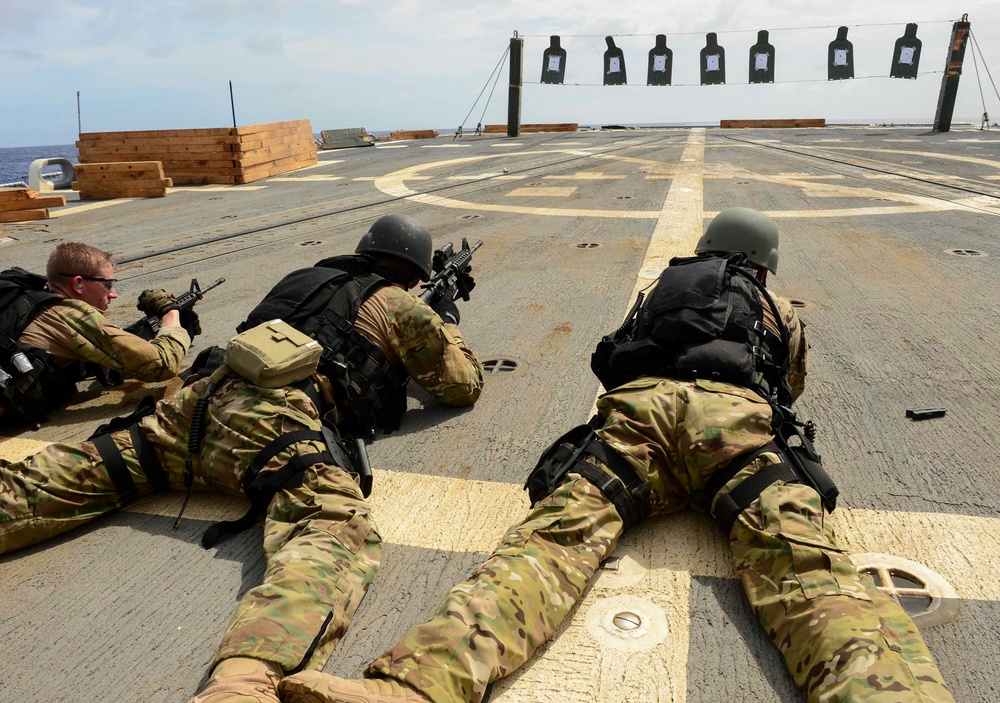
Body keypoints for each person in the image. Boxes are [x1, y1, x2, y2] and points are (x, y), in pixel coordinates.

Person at [277, 208, 954, 703]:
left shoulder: (660, 289)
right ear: (763, 263)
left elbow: (611, 357)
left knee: (546, 548)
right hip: (738, 429)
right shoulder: (774, 303)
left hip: (641, 420)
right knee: (808, 570)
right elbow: (790, 380)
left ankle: (414, 688)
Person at [0, 214, 483, 703]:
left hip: (193, 409)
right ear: (416, 275)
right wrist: (445, 320)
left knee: (63, 474)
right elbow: (461, 385)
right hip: (274, 432)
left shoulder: (302, 278)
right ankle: (242, 686)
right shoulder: (400, 303)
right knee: (335, 527)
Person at [0, 242, 193, 426]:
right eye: (107, 285)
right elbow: (163, 363)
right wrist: (171, 313)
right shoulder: (70, 315)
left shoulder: (27, 303)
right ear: (78, 284)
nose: (113, 294)